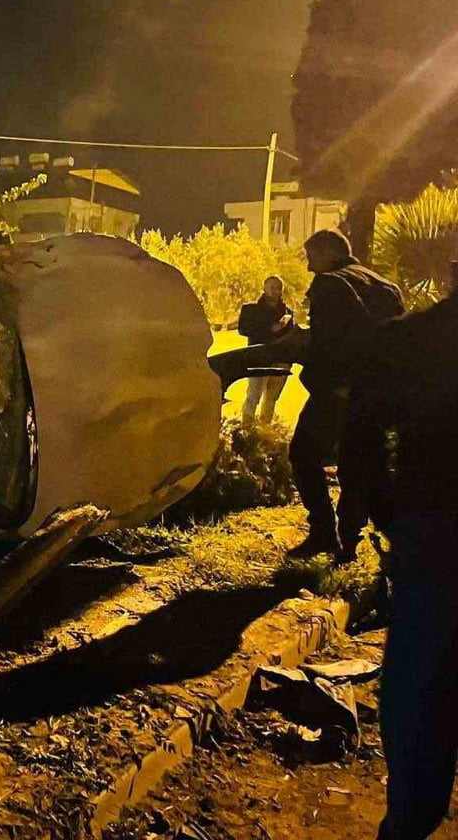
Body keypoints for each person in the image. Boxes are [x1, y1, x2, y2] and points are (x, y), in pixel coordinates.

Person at [367, 265, 458, 839]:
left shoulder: (411, 338)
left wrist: (389, 515)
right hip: (427, 525)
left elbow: (362, 436)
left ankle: (410, 819)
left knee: (421, 680)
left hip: (431, 526)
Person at [289, 228, 403, 561]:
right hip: (376, 393)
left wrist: (324, 379)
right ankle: (350, 540)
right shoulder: (385, 286)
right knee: (358, 464)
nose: (310, 267)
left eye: (311, 258)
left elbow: (331, 342)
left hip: (338, 390)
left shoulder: (331, 283)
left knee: (304, 454)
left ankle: (323, 532)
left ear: (327, 253)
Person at [236, 275, 294, 425]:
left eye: (279, 288)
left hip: (281, 361)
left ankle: (264, 432)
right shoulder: (251, 310)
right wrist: (269, 329)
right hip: (259, 358)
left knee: (271, 399)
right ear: (264, 288)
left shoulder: (287, 312)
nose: (276, 291)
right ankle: (246, 430)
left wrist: (288, 362)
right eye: (272, 287)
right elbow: (243, 329)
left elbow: (290, 338)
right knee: (253, 396)